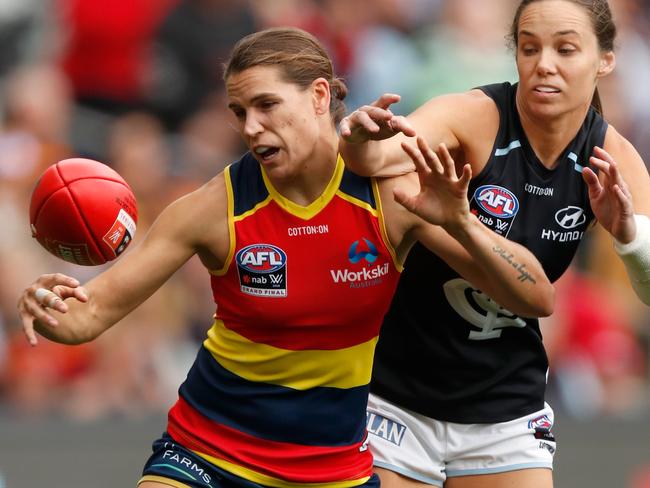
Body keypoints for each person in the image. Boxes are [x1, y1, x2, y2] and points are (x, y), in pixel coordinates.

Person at [16, 27, 554, 488]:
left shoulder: (391, 195)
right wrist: (46, 304)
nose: (250, 127)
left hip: (333, 467)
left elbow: (534, 297)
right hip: (208, 451)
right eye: (238, 111)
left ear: (320, 95)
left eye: (266, 105)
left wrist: (459, 220)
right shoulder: (211, 209)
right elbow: (89, 314)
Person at [339, 1, 650, 487]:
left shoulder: (613, 158)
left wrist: (628, 238)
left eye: (565, 49)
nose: (544, 63)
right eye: (530, 48)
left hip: (504, 408)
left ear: (605, 59)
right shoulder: (474, 115)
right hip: (398, 396)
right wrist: (358, 141)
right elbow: (378, 160)